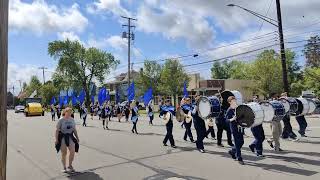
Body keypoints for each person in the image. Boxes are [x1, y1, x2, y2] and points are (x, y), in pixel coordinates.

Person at [55, 107, 79, 173]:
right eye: (68, 112)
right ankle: (64, 167)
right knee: (64, 153)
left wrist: (77, 137)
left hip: (70, 136)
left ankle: (70, 165)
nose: (69, 114)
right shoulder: (61, 120)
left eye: (71, 112)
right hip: (63, 136)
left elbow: (74, 129)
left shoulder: (72, 119)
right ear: (65, 112)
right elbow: (57, 130)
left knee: (72, 151)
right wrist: (56, 139)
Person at [226, 96, 244, 165]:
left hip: (240, 127)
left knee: (241, 142)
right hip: (234, 128)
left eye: (235, 100)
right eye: (233, 101)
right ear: (229, 102)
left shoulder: (238, 108)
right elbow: (226, 120)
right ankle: (239, 158)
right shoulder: (229, 110)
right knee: (237, 142)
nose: (234, 101)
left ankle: (232, 151)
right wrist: (232, 119)